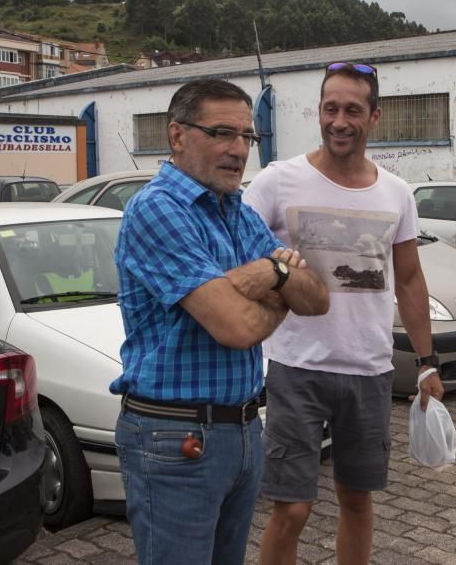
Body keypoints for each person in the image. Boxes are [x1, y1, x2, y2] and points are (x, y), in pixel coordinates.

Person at [112, 79, 329, 565]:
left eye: (247, 138)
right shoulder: (158, 210)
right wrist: (282, 281)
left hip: (242, 431)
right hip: (176, 439)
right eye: (222, 134)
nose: (238, 150)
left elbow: (316, 298)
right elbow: (236, 328)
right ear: (177, 136)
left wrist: (268, 275)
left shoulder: (236, 212)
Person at [245, 61, 445, 565]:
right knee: (292, 508)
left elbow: (409, 279)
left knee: (357, 500)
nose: (339, 120)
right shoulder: (277, 181)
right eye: (330, 108)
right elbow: (236, 254)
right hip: (297, 368)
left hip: (369, 370)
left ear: (374, 117)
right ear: (318, 113)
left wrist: (427, 362)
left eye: (352, 110)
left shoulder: (396, 193)